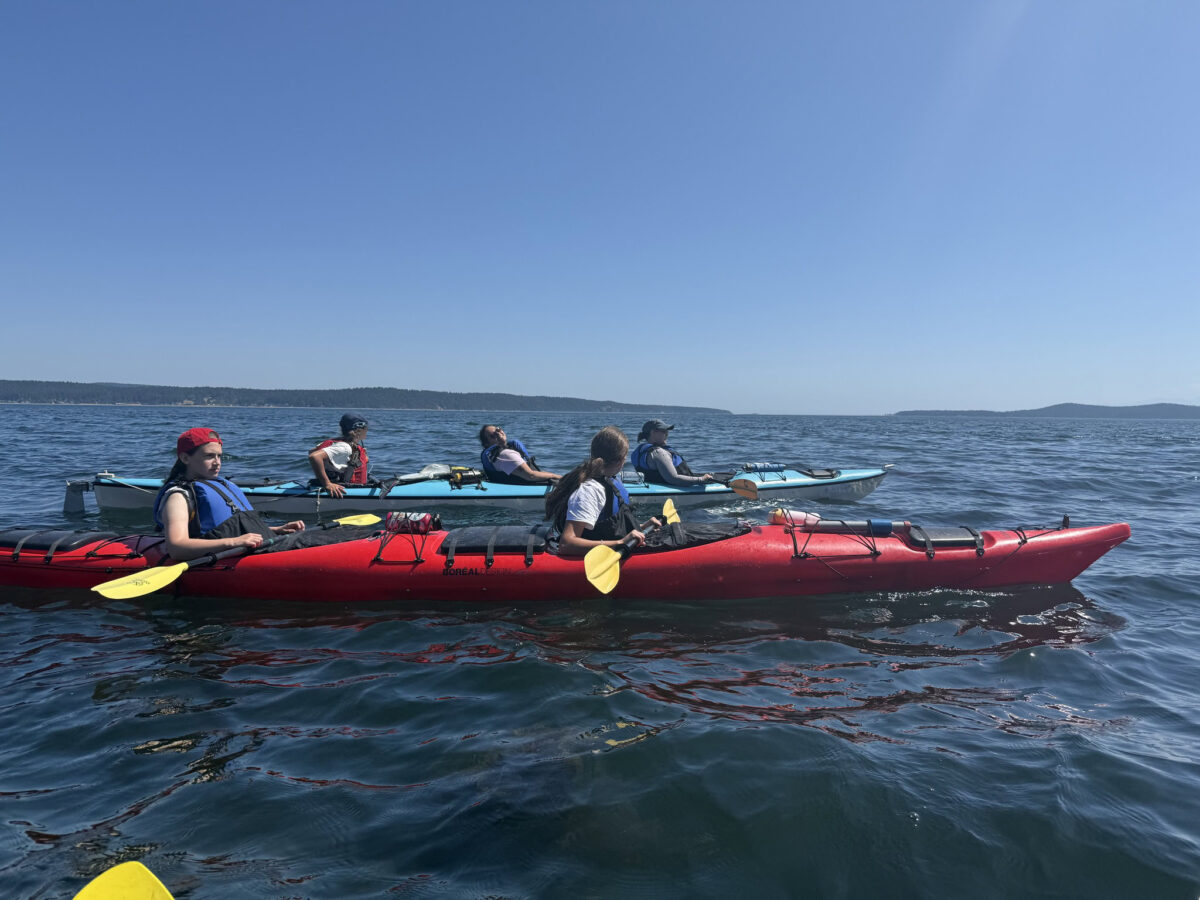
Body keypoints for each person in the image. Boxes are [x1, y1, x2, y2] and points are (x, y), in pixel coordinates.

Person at [153, 427, 305, 561]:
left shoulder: (223, 484)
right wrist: (234, 542)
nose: (217, 462)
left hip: (259, 547)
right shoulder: (178, 497)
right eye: (209, 456)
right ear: (185, 458)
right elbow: (177, 548)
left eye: (219, 456)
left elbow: (231, 527)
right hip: (228, 554)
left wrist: (276, 530)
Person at [544, 426, 657, 557]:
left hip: (622, 545)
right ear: (621, 460)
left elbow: (612, 527)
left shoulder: (609, 480)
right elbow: (567, 544)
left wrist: (642, 527)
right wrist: (620, 542)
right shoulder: (590, 490)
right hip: (598, 557)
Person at [631, 419, 714, 487]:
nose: (667, 434)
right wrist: (701, 480)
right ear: (653, 433)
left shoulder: (636, 452)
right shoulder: (659, 452)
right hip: (674, 488)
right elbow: (673, 478)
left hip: (653, 485)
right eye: (664, 431)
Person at [309, 413, 370, 498]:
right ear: (358, 431)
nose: (367, 430)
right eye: (366, 428)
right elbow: (314, 456)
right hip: (347, 491)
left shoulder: (344, 445)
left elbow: (312, 451)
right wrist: (327, 484)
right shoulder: (344, 447)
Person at [478, 424, 560, 485]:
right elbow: (531, 476)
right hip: (527, 485)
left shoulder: (506, 451)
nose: (499, 434)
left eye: (498, 430)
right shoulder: (505, 455)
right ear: (486, 443)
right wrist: (560, 477)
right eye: (493, 435)